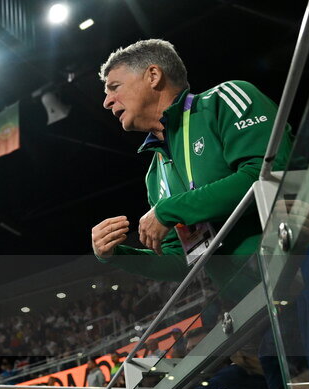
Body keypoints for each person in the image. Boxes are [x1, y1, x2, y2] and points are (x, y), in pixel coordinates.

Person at [91, 39, 292, 279]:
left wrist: (169, 210)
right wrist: (116, 255)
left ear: (153, 75)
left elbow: (266, 175)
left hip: (296, 268)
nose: (107, 102)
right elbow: (183, 262)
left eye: (115, 87)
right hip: (245, 305)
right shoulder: (156, 175)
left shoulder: (224, 100)